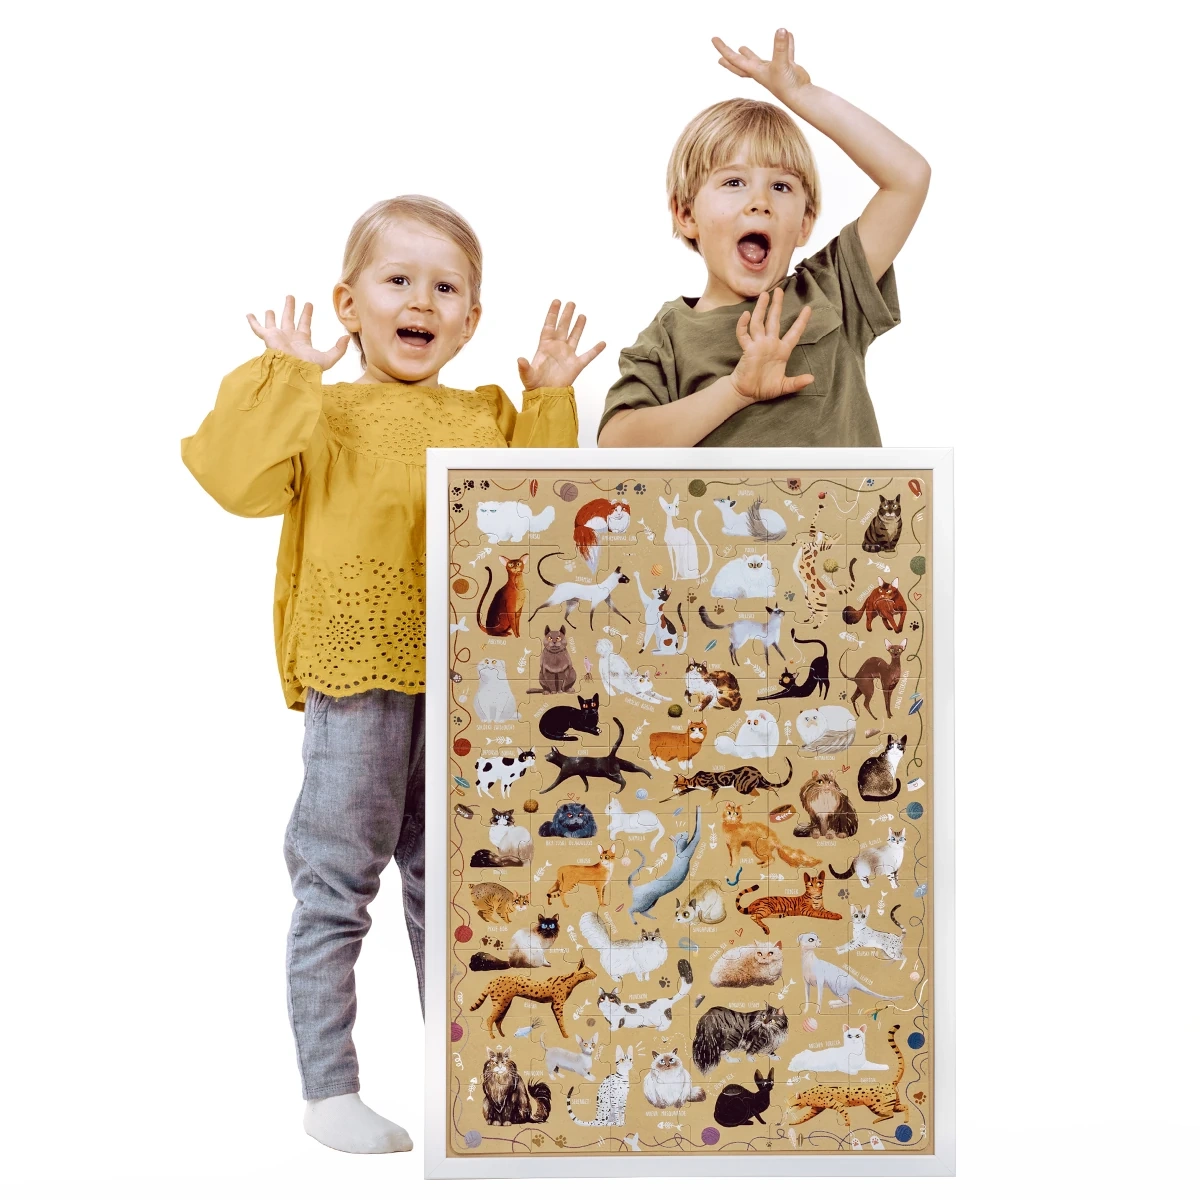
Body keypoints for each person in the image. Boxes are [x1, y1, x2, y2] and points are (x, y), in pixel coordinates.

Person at [181, 195, 602, 1153]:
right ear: (349, 303)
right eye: (398, 280)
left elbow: (540, 513)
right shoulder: (321, 413)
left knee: (457, 883)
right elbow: (232, 479)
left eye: (445, 288)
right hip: (358, 671)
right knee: (336, 878)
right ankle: (330, 1089)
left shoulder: (484, 413)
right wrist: (285, 374)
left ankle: (472, 1083)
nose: (421, 301)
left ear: (471, 320)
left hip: (468, 688)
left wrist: (548, 399)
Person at [598, 28, 930, 449]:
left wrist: (801, 95)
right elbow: (617, 444)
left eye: (781, 186)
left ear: (805, 223)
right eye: (734, 182)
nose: (760, 202)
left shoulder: (831, 291)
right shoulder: (668, 337)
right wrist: (735, 391)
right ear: (686, 215)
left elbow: (908, 178)